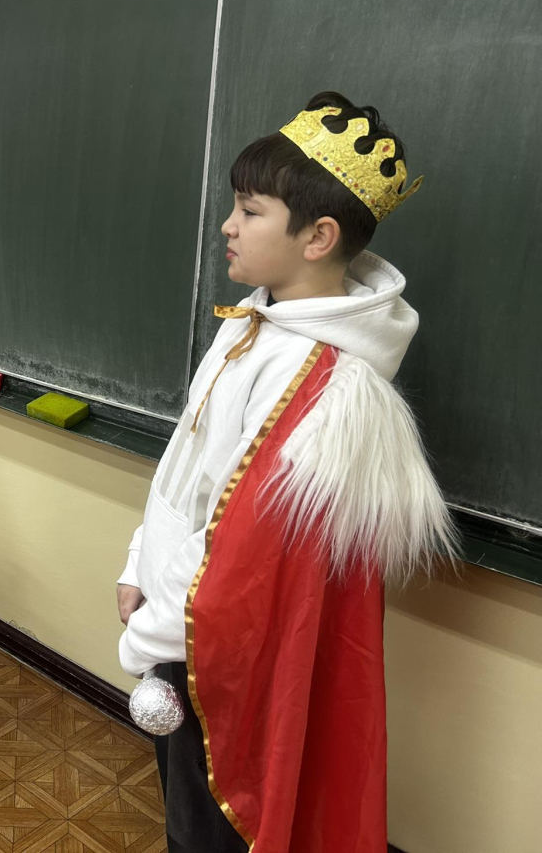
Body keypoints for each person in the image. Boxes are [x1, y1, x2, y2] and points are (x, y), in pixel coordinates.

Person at [116, 92, 455, 853]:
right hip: (175, 623)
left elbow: (241, 560)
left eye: (250, 210)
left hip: (212, 650)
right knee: (184, 811)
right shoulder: (254, 321)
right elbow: (186, 462)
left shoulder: (319, 384)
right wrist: (139, 562)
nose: (228, 226)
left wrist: (148, 637)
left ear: (319, 236)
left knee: (212, 829)